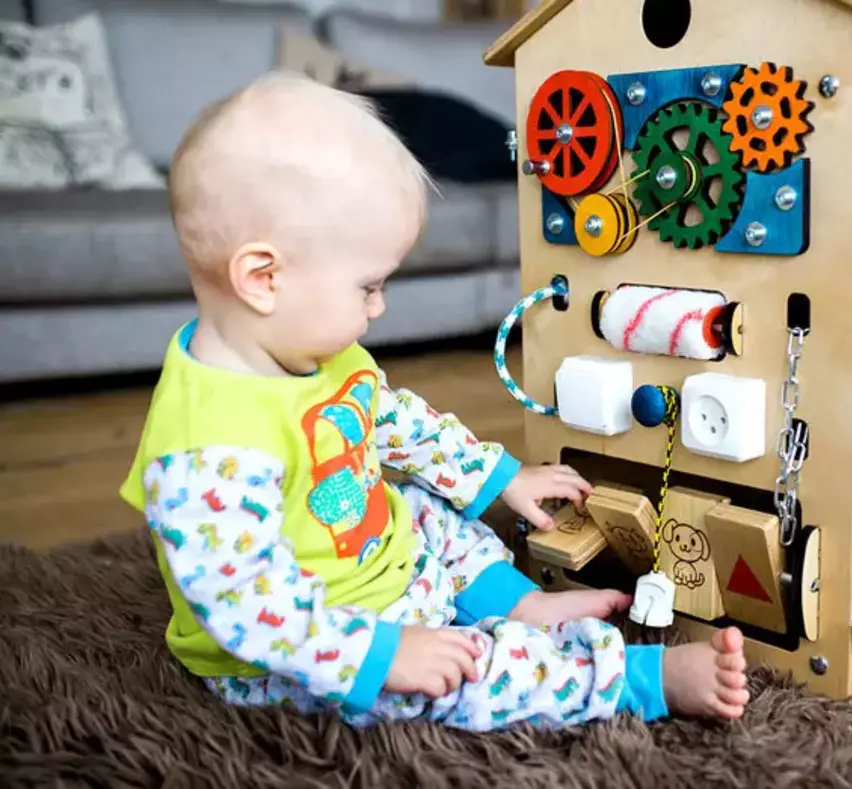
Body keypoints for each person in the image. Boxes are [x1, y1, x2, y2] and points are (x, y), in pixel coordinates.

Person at [118, 71, 749, 732]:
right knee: (470, 677)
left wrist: (502, 476)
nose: (379, 306)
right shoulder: (207, 445)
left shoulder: (316, 354)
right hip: (307, 651)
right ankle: (634, 680)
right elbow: (250, 608)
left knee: (425, 511)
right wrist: (383, 652)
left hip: (370, 557)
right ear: (264, 278)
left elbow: (398, 422)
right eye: (368, 286)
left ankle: (519, 604)